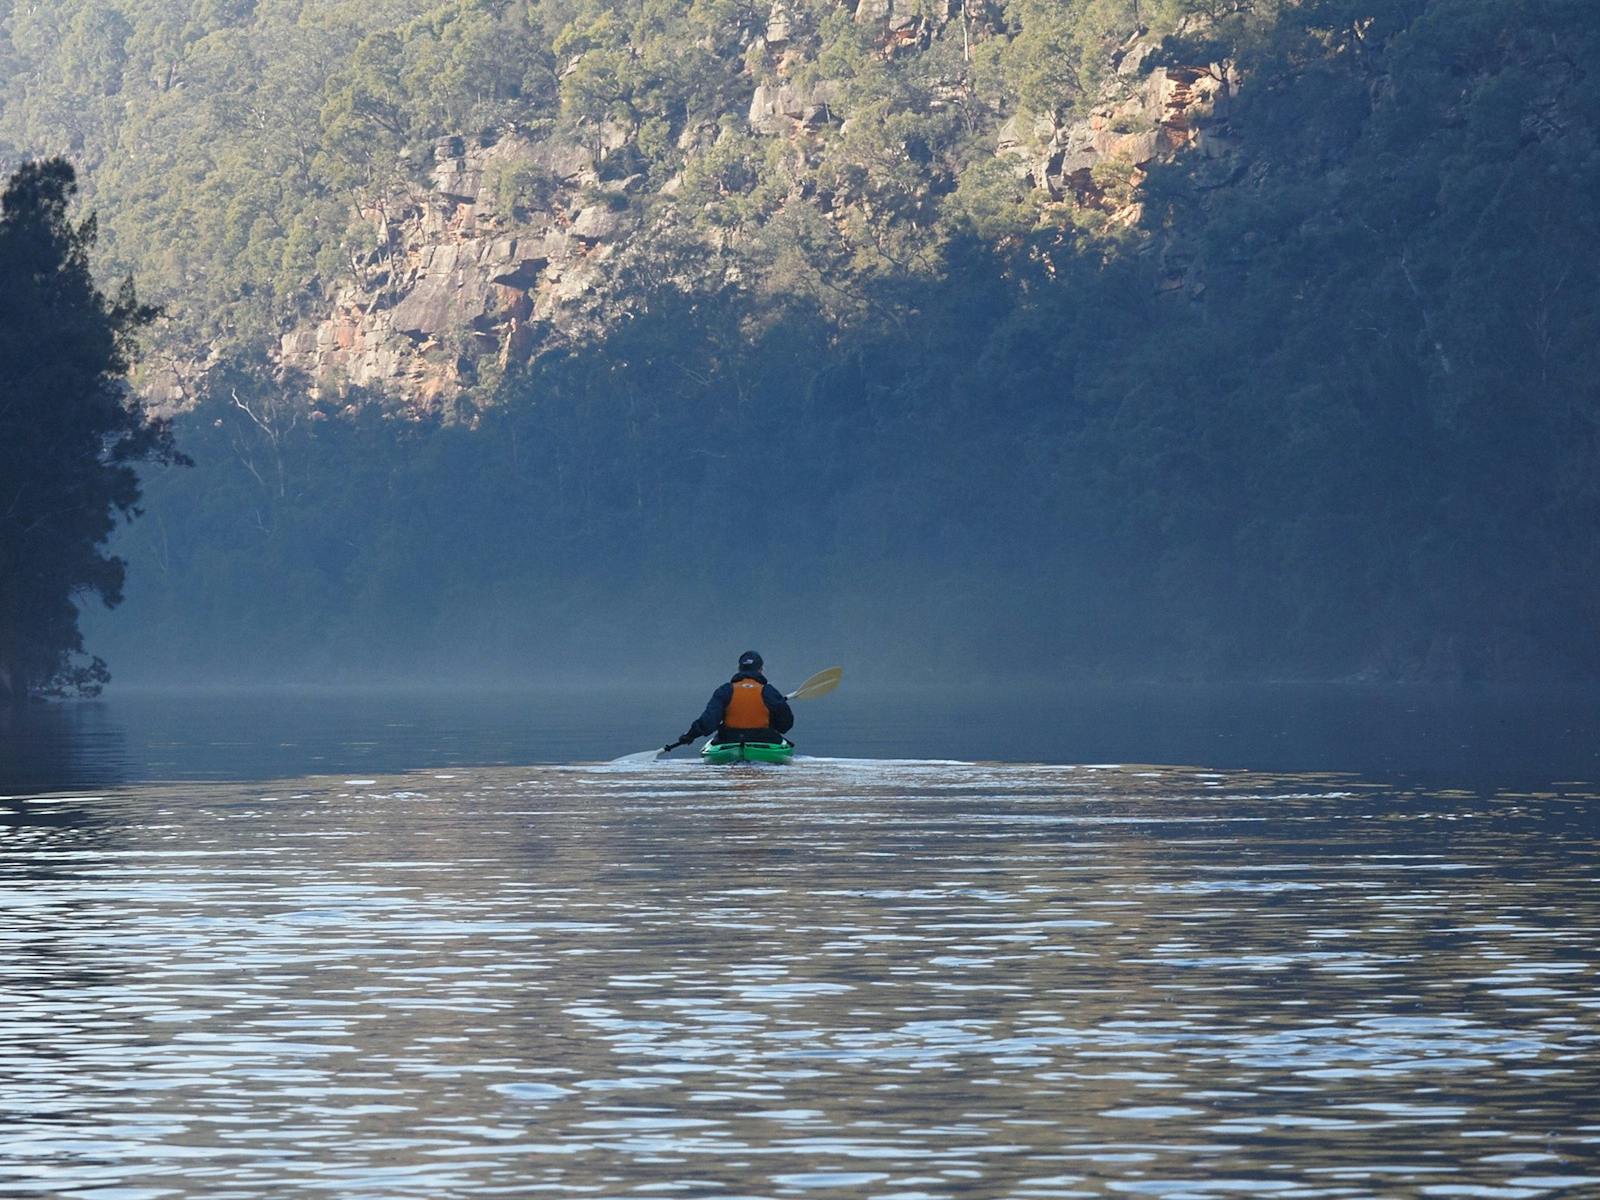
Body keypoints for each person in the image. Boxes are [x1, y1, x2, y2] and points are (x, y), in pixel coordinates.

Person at [665, 650, 794, 752]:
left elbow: (709, 720)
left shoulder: (725, 690)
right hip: (764, 739)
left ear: (739, 669)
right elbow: (786, 723)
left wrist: (690, 735)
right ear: (761, 670)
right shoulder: (769, 691)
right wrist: (774, 726)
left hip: (729, 739)